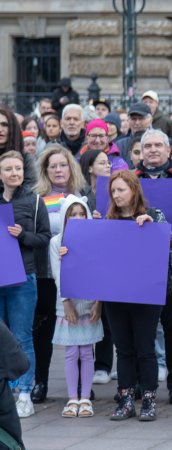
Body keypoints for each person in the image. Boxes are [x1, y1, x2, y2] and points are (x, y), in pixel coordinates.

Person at [101, 170, 172, 421]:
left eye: (121, 189)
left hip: (146, 293)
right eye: (113, 191)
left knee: (145, 348)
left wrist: (153, 229)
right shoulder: (108, 220)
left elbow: (171, 240)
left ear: (134, 190)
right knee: (123, 349)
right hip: (116, 293)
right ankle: (126, 400)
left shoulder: (152, 215)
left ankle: (149, 401)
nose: (116, 194)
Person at [29, 144, 92, 404]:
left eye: (62, 164)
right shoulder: (36, 199)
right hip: (46, 272)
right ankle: (40, 381)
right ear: (45, 170)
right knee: (43, 333)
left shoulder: (83, 196)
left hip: (78, 276)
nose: (58, 169)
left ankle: (82, 387)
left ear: (71, 167)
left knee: (81, 330)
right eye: (52, 165)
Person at [0, 151, 50, 419]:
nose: (14, 174)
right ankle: (4, 390)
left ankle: (23, 393)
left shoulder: (35, 201)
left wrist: (24, 236)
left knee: (22, 336)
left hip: (23, 276)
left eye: (18, 169)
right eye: (8, 169)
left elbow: (45, 238)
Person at [50, 195, 103, 418]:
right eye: (73, 215)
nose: (78, 218)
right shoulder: (57, 242)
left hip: (89, 302)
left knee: (87, 352)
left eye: (82, 214)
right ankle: (72, 398)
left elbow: (100, 272)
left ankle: (85, 399)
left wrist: (98, 303)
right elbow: (57, 275)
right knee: (72, 352)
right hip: (68, 303)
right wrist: (66, 302)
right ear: (65, 217)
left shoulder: (95, 240)